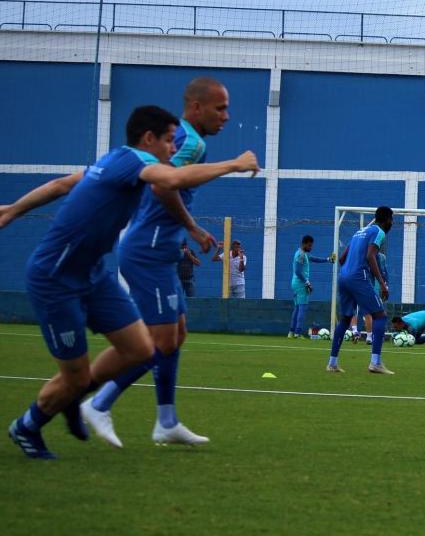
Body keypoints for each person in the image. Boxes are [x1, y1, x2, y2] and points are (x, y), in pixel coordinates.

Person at [1, 104, 259, 459]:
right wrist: (233, 164)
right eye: (169, 141)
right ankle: (28, 425)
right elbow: (171, 181)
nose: (174, 148)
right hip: (55, 277)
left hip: (93, 274)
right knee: (74, 377)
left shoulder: (113, 162)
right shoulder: (136, 161)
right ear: (148, 139)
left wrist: (13, 209)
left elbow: (61, 184)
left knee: (140, 349)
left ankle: (78, 400)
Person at [81, 77, 234, 449]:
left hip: (158, 251)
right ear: (195, 108)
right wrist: (194, 228)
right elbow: (163, 185)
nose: (226, 117)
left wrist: (189, 234)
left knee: (175, 335)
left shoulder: (180, 139)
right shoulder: (191, 142)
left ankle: (166, 421)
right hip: (147, 250)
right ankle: (97, 403)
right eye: (220, 108)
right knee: (160, 340)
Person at [327, 207, 395, 374]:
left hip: (343, 277)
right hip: (358, 276)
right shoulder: (379, 232)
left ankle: (332, 363)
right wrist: (382, 283)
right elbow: (370, 256)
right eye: (391, 219)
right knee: (380, 315)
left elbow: (342, 259)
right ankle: (375, 363)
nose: (392, 223)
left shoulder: (358, 233)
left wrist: (350, 273)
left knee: (345, 318)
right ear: (386, 219)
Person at [287, 235, 336, 339]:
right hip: (300, 284)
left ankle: (291, 333)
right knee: (302, 308)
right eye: (309, 245)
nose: (311, 247)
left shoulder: (302, 253)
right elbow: (297, 271)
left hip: (296, 283)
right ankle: (298, 333)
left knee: (297, 308)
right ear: (304, 244)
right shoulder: (300, 255)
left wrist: (328, 259)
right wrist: (307, 282)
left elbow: (314, 259)